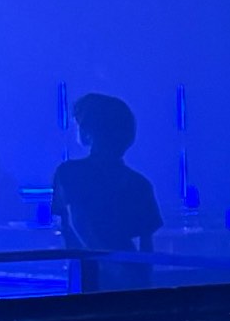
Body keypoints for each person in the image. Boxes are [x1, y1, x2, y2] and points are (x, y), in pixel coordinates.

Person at [52, 94, 163, 254]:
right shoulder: (140, 184)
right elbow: (146, 246)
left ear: (88, 129)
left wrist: (104, 261)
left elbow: (74, 224)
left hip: (88, 264)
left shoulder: (70, 172)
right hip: (126, 265)